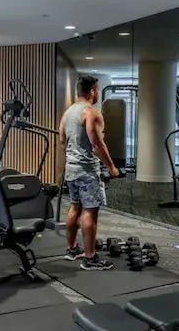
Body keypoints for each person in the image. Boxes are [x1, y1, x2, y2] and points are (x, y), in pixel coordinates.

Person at [59, 75, 120, 271]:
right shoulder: (91, 113)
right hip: (87, 171)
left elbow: (62, 140)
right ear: (93, 91)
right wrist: (112, 167)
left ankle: (71, 249)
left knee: (75, 207)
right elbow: (97, 145)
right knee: (90, 212)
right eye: (98, 90)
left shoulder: (68, 113)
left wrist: (73, 158)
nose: (98, 93)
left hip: (71, 169)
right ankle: (90, 258)